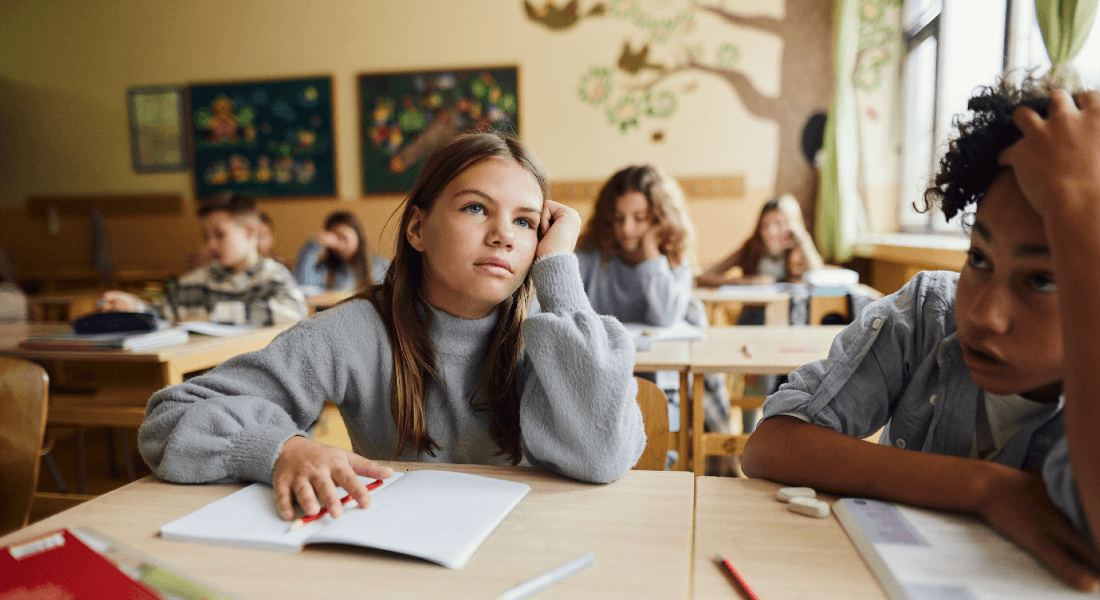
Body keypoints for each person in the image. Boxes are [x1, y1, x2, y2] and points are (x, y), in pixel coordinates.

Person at [138, 132, 645, 523]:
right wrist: (281, 449)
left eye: (525, 223)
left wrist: (558, 270)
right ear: (418, 228)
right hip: (396, 551)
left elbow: (602, 457)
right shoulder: (357, 330)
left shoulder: (548, 334)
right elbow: (169, 419)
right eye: (475, 208)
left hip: (530, 541)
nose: (502, 237)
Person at [741, 79, 1100, 591]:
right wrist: (988, 488)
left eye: (1042, 279)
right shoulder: (931, 315)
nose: (985, 316)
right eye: (979, 258)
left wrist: (1080, 214)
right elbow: (771, 445)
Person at [574, 165, 730, 440]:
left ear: (659, 218)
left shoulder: (673, 260)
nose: (626, 229)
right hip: (604, 371)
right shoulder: (593, 257)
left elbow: (666, 316)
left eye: (640, 218)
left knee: (654, 414)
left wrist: (650, 250)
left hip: (659, 377)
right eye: (618, 218)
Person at [100, 194, 308, 326]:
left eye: (219, 235)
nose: (210, 245)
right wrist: (134, 306)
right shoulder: (198, 279)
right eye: (206, 237)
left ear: (251, 232)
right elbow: (164, 312)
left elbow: (295, 312)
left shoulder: (272, 276)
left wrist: (214, 315)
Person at [695, 194, 824, 288]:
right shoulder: (751, 249)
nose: (770, 231)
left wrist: (802, 241)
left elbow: (818, 278)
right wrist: (748, 282)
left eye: (778, 224)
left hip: (789, 316)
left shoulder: (798, 249)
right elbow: (702, 278)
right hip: (753, 315)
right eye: (765, 225)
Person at [293, 211, 389, 295]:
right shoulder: (325, 268)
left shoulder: (381, 265)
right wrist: (313, 246)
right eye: (333, 239)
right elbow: (303, 287)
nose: (339, 245)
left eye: (343, 237)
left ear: (358, 236)